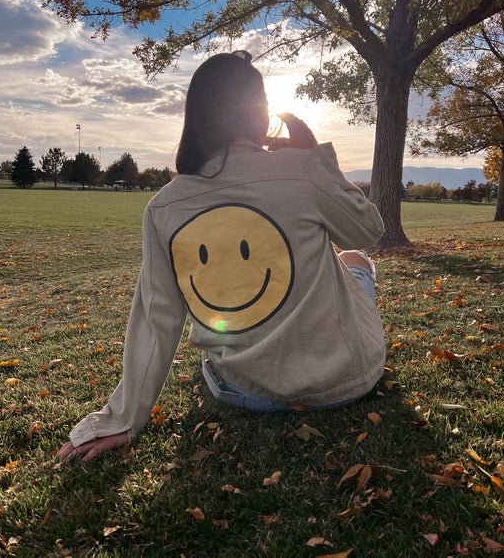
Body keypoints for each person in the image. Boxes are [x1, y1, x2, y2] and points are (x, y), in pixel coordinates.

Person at [59, 51, 385, 462]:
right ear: (260, 115)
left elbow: (157, 319)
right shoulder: (302, 170)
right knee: (354, 258)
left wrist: (122, 418)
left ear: (193, 115)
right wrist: (316, 157)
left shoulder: (164, 206)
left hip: (243, 391)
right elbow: (368, 232)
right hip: (346, 382)